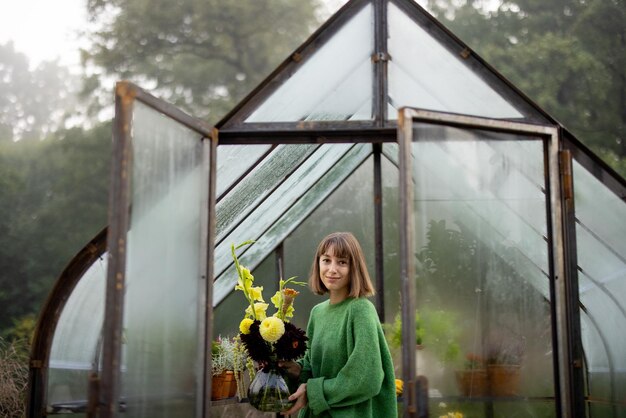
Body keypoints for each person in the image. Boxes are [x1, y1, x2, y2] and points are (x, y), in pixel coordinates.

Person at [280, 232, 397, 418]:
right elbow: (313, 366)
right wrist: (295, 369)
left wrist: (313, 391)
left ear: (354, 268)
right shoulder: (317, 313)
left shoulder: (360, 309)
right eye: (326, 260)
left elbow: (366, 378)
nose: (332, 269)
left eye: (342, 262)